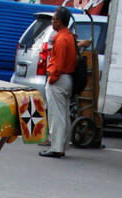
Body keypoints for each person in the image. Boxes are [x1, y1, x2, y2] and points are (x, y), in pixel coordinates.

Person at [39, 7, 79, 159]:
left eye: (54, 19)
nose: (52, 22)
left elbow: (59, 64)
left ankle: (56, 148)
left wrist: (52, 78)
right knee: (63, 114)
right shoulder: (68, 36)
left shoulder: (61, 39)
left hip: (59, 78)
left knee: (56, 115)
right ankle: (61, 145)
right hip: (66, 78)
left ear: (60, 21)